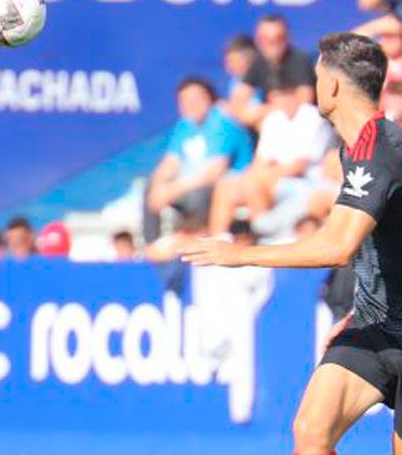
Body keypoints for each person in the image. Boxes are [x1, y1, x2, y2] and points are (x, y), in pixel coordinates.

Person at [182, 33, 402, 453]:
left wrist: (241, 255)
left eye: (317, 76)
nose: (313, 84)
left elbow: (337, 245)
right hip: (375, 324)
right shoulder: (353, 148)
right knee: (311, 434)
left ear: (333, 86)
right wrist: (363, 305)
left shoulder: (379, 149)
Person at [208, 74, 331, 237]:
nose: (283, 100)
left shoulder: (312, 117)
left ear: (296, 94)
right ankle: (219, 242)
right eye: (277, 96)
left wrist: (261, 177)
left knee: (253, 184)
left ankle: (265, 235)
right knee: (227, 186)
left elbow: (298, 167)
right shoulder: (273, 120)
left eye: (287, 94)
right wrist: (251, 178)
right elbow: (260, 161)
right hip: (273, 179)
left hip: (305, 182)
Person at [145, 77, 252, 243]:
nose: (190, 104)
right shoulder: (185, 125)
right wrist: (158, 185)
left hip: (227, 184)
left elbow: (215, 171)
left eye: (195, 98)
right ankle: (153, 246)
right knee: (151, 187)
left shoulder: (222, 121)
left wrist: (173, 189)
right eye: (184, 100)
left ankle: (199, 238)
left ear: (209, 98)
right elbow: (171, 162)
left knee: (198, 192)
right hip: (190, 184)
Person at [228, 14, 317, 128]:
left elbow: (305, 105)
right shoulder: (258, 62)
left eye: (278, 38)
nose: (272, 44)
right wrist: (266, 110)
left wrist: (262, 111)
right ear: (258, 40)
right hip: (273, 126)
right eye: (266, 39)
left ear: (287, 37)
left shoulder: (300, 60)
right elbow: (237, 106)